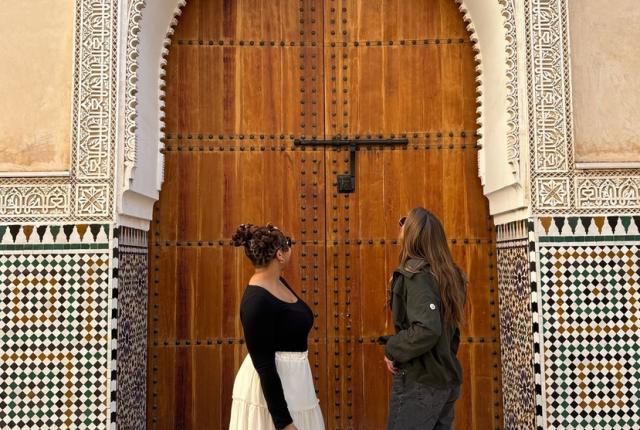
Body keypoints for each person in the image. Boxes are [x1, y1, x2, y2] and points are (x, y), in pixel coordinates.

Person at [229, 223, 325, 430]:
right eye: (288, 244)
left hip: (296, 385)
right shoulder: (255, 302)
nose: (292, 249)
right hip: (269, 395)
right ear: (280, 255)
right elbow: (265, 367)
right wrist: (284, 423)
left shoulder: (278, 282)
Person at [379, 207, 467, 430]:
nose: (400, 227)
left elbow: (427, 328)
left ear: (413, 233)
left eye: (404, 223)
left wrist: (393, 349)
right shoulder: (448, 274)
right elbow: (452, 333)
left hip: (422, 382)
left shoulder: (417, 275)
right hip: (444, 380)